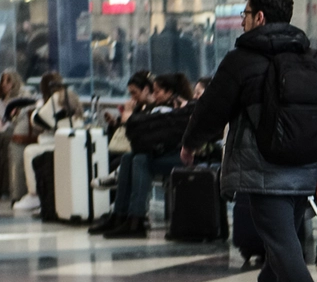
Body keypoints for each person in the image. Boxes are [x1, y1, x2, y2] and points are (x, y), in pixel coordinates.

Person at [179, 0, 317, 282]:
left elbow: (210, 110)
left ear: (260, 17)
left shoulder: (242, 60)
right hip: (304, 173)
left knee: (284, 250)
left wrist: (190, 144)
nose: (241, 21)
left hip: (263, 172)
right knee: (280, 248)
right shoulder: (316, 60)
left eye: (244, 13)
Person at [94, 73, 191, 238]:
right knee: (128, 157)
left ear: (169, 92)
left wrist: (130, 118)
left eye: (158, 91)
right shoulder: (157, 109)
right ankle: (120, 214)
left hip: (181, 156)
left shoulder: (174, 111)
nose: (155, 95)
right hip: (165, 153)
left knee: (139, 159)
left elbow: (149, 136)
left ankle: (136, 218)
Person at [15, 71, 82, 213]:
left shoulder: (55, 98)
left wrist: (39, 107)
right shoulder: (71, 96)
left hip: (61, 142)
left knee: (30, 151)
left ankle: (34, 194)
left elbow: (38, 120)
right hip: (72, 140)